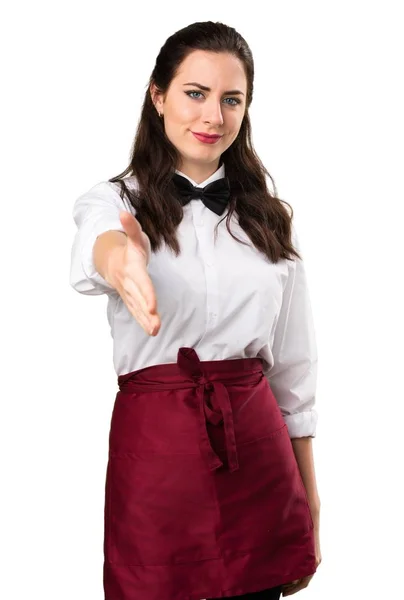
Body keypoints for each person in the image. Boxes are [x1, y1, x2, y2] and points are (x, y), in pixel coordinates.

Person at [70, 20, 321, 600]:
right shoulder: (115, 202)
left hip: (259, 460)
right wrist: (121, 260)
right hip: (157, 461)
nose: (213, 116)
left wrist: (309, 509)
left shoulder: (269, 221)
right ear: (158, 95)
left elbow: (294, 379)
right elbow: (98, 242)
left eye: (231, 99)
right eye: (195, 93)